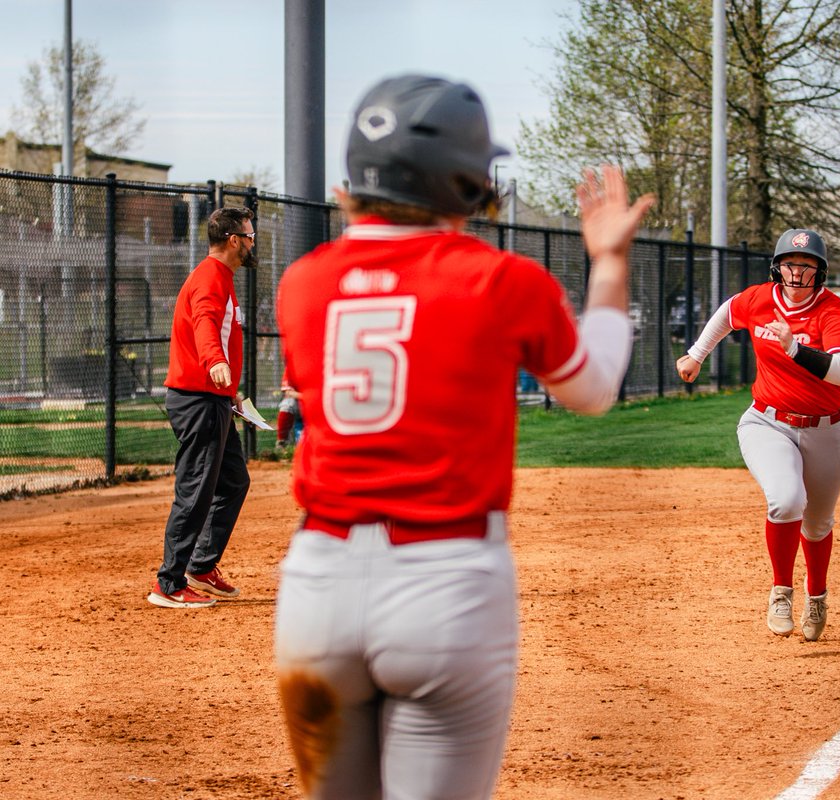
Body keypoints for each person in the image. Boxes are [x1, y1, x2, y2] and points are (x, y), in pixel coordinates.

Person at [273, 74, 653, 800]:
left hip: (316, 587)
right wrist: (609, 262)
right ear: (468, 182)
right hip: (445, 586)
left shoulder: (303, 282)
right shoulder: (501, 279)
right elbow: (595, 388)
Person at [676, 228, 840, 640]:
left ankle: (817, 595)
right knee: (786, 499)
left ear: (820, 273)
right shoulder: (760, 299)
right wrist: (697, 354)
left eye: (807, 266)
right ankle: (781, 591)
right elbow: (727, 312)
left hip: (826, 430)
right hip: (767, 421)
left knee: (817, 523)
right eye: (791, 265)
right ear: (778, 267)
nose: (797, 274)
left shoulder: (830, 310)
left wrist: (795, 349)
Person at [148, 206, 256, 609]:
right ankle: (169, 583)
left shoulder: (221, 277)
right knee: (195, 491)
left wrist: (229, 394)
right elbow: (204, 322)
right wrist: (215, 361)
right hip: (198, 399)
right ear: (234, 240)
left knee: (232, 482)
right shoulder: (211, 277)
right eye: (249, 236)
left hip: (214, 398)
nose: (251, 243)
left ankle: (201, 565)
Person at [275, 380, 302, 448]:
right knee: (287, 404)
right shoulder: (292, 369)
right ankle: (282, 443)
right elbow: (288, 392)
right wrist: (306, 397)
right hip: (301, 401)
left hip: (321, 402)